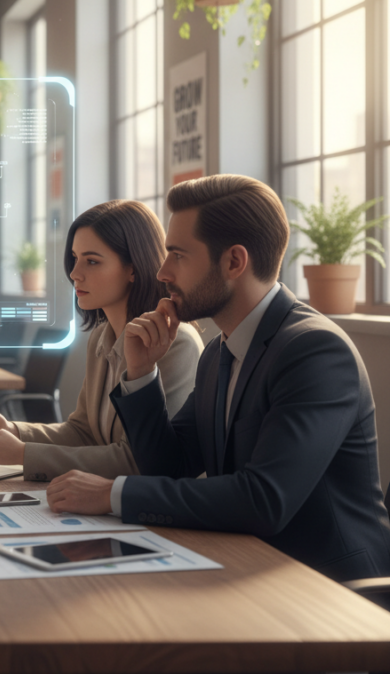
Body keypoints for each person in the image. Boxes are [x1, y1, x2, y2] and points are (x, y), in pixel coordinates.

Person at [44, 175, 390, 584]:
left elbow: (263, 499)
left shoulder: (314, 352)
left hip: (330, 591)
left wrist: (111, 493)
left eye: (177, 255)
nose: (163, 271)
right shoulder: (219, 353)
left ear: (233, 262)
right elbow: (169, 467)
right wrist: (140, 373)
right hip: (248, 566)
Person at [0, 200, 203, 481]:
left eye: (92, 261)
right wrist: (12, 430)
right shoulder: (101, 337)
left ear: (133, 268)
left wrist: (22, 454)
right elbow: (82, 431)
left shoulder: (176, 343)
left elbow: (139, 461)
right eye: (75, 258)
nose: (74, 273)